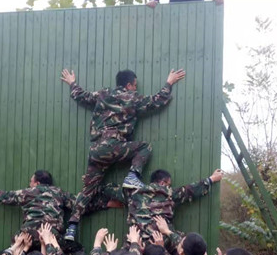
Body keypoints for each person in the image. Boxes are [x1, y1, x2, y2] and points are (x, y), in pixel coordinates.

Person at [60, 67, 186, 240]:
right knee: (145, 147)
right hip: (116, 146)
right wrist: (169, 82)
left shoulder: (103, 94)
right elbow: (157, 100)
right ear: (128, 85)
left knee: (87, 191)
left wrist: (72, 83)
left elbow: (82, 96)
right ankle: (133, 176)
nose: (135, 88)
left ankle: (72, 227)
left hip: (97, 150)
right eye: (135, 85)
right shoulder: (132, 98)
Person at [95, 168, 224, 244]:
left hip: (136, 243)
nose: (169, 186)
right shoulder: (169, 193)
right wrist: (212, 179)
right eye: (168, 184)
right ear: (163, 182)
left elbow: (109, 190)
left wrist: (104, 196)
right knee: (185, 242)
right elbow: (191, 190)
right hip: (161, 242)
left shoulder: (132, 193)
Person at [0, 170, 75, 241]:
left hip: (29, 234)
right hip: (52, 235)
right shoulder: (59, 192)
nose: (30, 184)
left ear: (37, 183)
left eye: (31, 181)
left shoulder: (28, 192)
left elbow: (9, 197)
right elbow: (77, 203)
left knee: (16, 248)